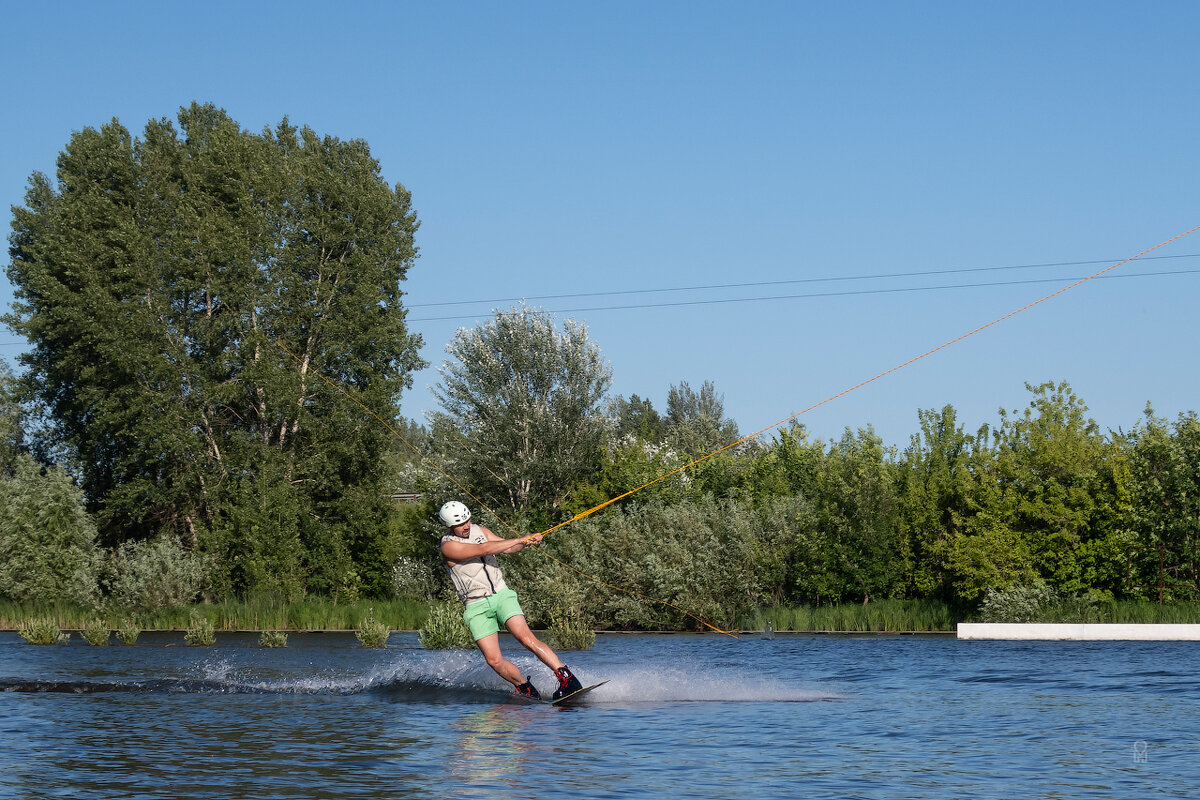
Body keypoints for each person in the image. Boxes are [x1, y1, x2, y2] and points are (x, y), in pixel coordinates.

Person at [437, 500, 584, 700]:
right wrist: (519, 538)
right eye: (459, 524)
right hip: (475, 605)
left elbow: (507, 549)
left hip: (501, 595)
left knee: (527, 639)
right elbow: (484, 549)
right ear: (448, 526)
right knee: (493, 660)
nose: (465, 526)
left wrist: (524, 543)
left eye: (467, 520)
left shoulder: (481, 530)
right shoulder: (448, 547)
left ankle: (567, 678)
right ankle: (525, 688)